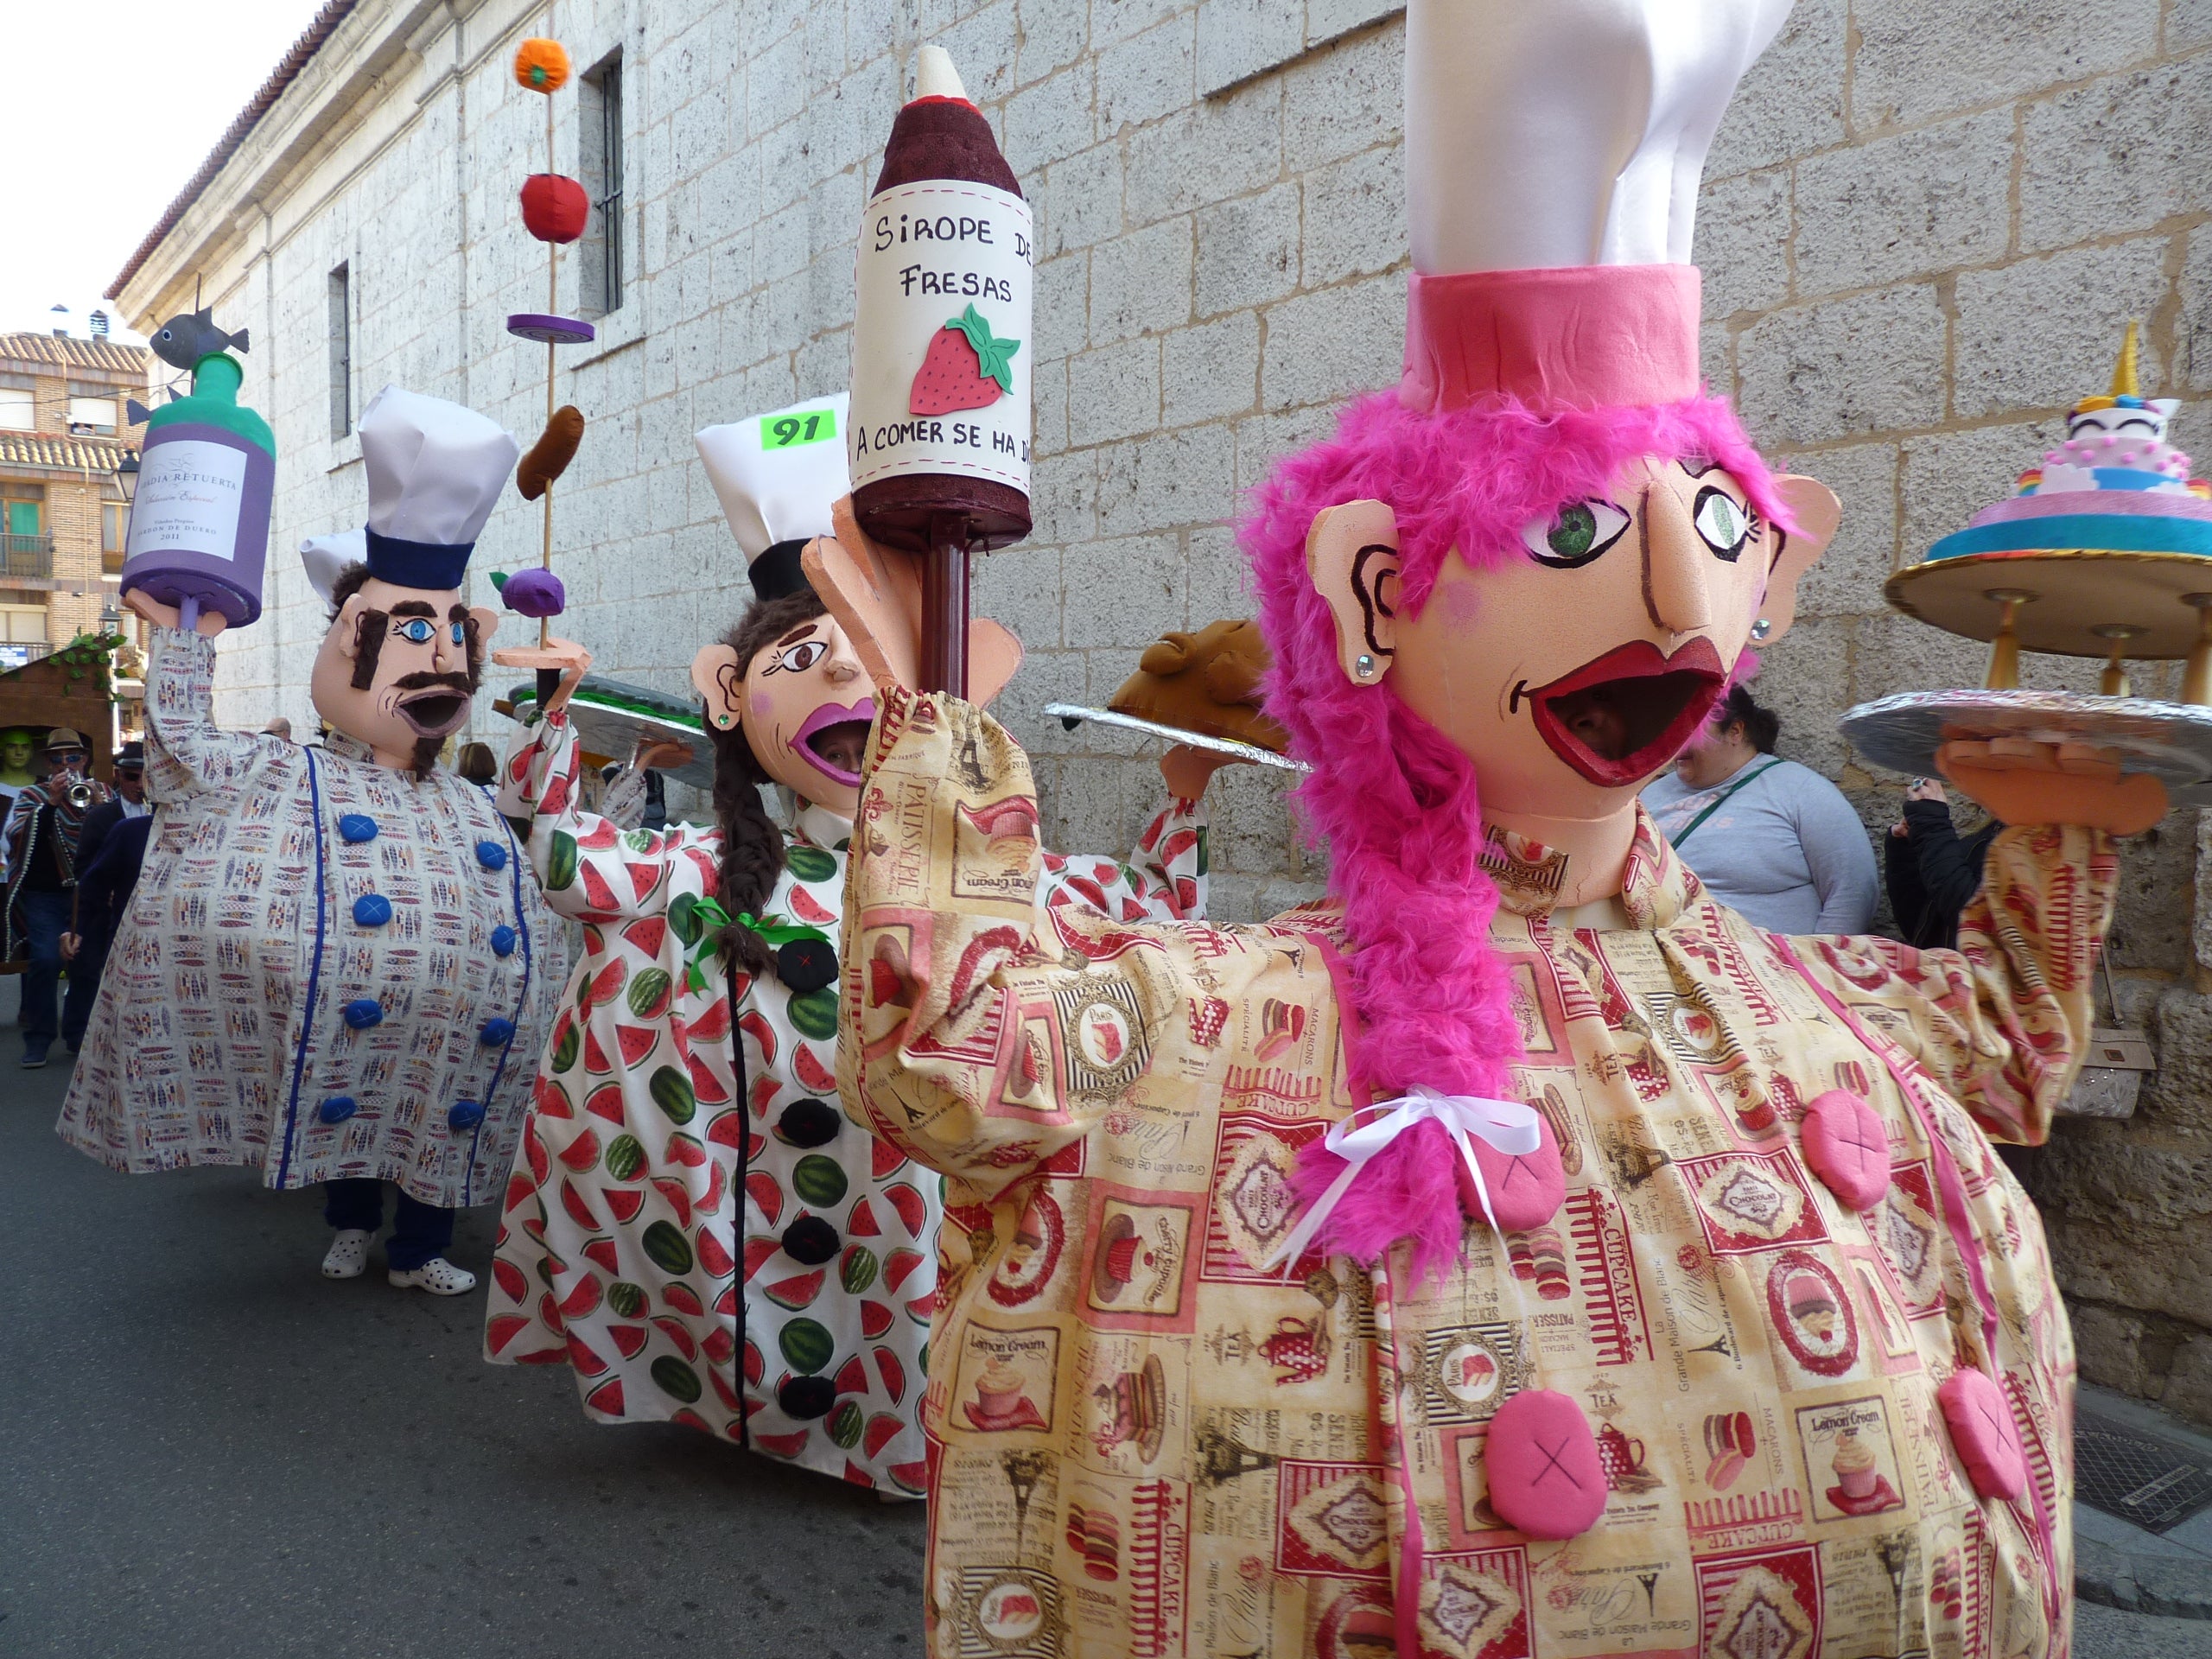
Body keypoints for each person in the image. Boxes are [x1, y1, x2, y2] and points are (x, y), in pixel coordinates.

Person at [818, 4, 2145, 1651]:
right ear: (1374, 594)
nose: (1675, 601)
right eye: (1580, 527)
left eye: (1715, 528)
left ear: (1776, 573)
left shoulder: (1800, 1005)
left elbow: (2009, 1050)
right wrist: (931, 731)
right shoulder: (1230, 1025)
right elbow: (956, 1050)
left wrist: (2064, 837)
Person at [484, 400, 1230, 1494]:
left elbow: (1147, 911)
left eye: (868, 651)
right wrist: (547, 722)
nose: (842, 676)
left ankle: (897, 1444)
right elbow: (562, 861)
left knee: (902, 1299)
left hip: (900, 1200)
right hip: (749, 1205)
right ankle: (766, 1417)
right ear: (729, 698)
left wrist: (1184, 792)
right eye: (801, 652)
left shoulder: (998, 879)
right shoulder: (694, 868)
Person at [60, 386, 567, 1296]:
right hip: (355, 1015)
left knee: (430, 1129)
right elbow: (185, 761)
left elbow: (545, 837)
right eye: (412, 633)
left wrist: (557, 719)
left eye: (451, 638)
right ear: (345, 644)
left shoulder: (467, 799)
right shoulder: (291, 774)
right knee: (356, 1105)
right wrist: (185, 642)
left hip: (453, 1023)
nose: (437, 661)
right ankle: (349, 1226)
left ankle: (418, 1250)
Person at [1642, 682, 1878, 933]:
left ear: (1735, 731)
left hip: (1771, 966)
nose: (1678, 742)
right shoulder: (1648, 795)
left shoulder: (1801, 789)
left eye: (1692, 730)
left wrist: (1818, 961)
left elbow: (1854, 889)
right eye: (1672, 729)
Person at [4, 728, 111, 1065]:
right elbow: (17, 838)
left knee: (86, 966)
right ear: (48, 762)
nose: (66, 764)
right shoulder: (32, 795)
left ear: (86, 759)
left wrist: (98, 805)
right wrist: (51, 802)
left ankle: (78, 1035)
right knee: (47, 962)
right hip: (45, 896)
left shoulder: (103, 792)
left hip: (87, 895)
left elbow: (114, 839)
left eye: (73, 757)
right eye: (57, 758)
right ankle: (38, 1039)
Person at [59, 741, 149, 999]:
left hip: (145, 915)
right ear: (119, 775)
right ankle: (76, 1037)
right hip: (104, 910)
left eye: (147, 776)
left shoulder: (162, 814)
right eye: (133, 777)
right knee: (86, 975)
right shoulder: (101, 816)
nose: (140, 785)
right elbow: (85, 870)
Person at [1888, 776, 1999, 950]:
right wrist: (1906, 850)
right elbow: (1922, 928)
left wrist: (1932, 828)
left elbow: (1976, 922)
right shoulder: (1996, 830)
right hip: (1943, 970)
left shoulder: (2046, 844)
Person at [0, 728, 35, 881]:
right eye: (12, 746)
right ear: (1, 751)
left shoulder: (45, 787)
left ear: (32, 753)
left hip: (34, 874)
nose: (19, 752)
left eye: (25, 747)